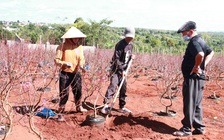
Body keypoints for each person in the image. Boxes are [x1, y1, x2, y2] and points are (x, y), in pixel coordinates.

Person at [173, 21, 214, 136]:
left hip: (192, 78)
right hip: (200, 78)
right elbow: (211, 52)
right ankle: (199, 127)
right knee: (197, 103)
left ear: (191, 32)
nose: (183, 36)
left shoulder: (194, 42)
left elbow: (200, 54)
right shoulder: (201, 40)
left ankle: (186, 129)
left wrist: (196, 66)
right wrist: (204, 65)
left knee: (189, 103)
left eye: (184, 33)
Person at [54, 26, 87, 121]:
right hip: (65, 73)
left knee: (78, 91)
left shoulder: (79, 47)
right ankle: (60, 112)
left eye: (78, 37)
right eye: (75, 37)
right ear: (70, 37)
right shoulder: (62, 46)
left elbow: (82, 59)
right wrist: (64, 63)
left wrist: (81, 65)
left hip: (76, 73)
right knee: (64, 93)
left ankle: (78, 107)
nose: (77, 39)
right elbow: (56, 60)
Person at [101, 27, 136, 114]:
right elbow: (116, 60)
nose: (129, 38)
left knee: (123, 88)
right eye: (128, 37)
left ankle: (122, 107)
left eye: (131, 37)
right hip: (116, 69)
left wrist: (132, 56)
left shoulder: (131, 45)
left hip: (124, 70)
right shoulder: (120, 44)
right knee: (113, 86)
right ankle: (105, 105)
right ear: (125, 36)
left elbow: (127, 55)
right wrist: (121, 71)